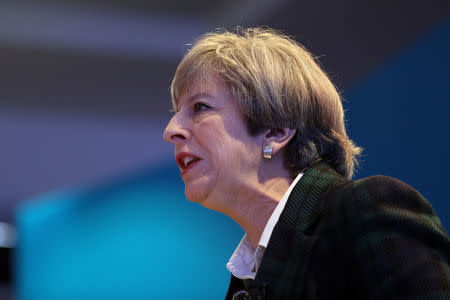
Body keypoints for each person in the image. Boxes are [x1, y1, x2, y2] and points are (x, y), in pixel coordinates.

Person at [163, 28, 450, 299]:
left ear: (275, 131)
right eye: (177, 112)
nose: (171, 130)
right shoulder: (246, 280)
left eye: (200, 107)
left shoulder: (365, 211)